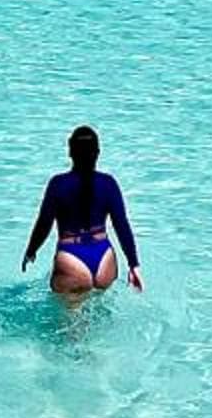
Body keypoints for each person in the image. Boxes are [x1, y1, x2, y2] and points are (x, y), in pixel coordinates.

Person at [22, 125, 143, 297]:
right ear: (98, 153)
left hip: (71, 260)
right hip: (104, 258)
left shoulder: (58, 184)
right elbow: (121, 225)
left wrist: (31, 250)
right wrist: (133, 265)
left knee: (71, 323)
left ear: (70, 152)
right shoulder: (108, 183)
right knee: (102, 319)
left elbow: (44, 223)